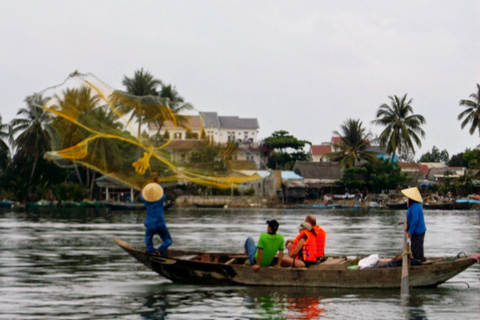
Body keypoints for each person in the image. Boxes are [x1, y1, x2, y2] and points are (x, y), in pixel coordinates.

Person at [141, 182, 172, 256]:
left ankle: (151, 252)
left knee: (148, 239)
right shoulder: (161, 200)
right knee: (168, 241)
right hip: (161, 224)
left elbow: (142, 195)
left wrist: (142, 189)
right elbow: (161, 192)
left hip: (151, 224)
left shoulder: (146, 201)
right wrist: (157, 183)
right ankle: (160, 250)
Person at [401, 187, 427, 263]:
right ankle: (419, 259)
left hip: (418, 231)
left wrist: (410, 232)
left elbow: (415, 220)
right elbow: (411, 219)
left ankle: (419, 261)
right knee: (416, 247)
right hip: (418, 230)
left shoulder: (415, 206)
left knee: (416, 247)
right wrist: (408, 227)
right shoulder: (414, 205)